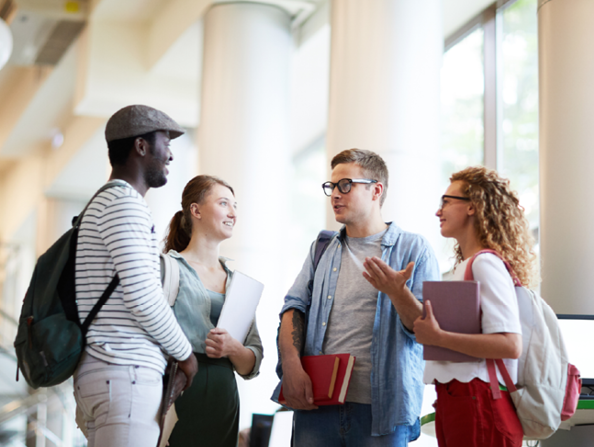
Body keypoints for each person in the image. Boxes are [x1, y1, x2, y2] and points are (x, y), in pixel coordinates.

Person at [275, 148, 440, 446]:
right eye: (332, 186)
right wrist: (291, 366)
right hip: (318, 403)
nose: (335, 194)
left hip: (383, 411)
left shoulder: (414, 249)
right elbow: (293, 307)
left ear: (376, 190)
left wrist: (396, 292)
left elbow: (426, 331)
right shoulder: (322, 247)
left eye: (346, 185)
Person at [72, 104, 198, 446]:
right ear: (140, 146)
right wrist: (186, 356)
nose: (170, 155)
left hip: (104, 370)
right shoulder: (124, 204)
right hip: (124, 371)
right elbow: (144, 299)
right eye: (165, 143)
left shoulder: (101, 203)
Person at [414, 166, 536, 447]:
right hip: (463, 397)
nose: (438, 211)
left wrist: (437, 338)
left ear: (473, 207)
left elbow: (509, 344)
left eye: (446, 201)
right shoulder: (469, 266)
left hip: (477, 399)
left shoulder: (485, 264)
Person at [163, 175, 264, 447]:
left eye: (235, 206)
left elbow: (252, 362)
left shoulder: (238, 284)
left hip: (224, 400)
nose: (232, 213)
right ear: (195, 211)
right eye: (223, 203)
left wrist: (232, 348)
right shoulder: (167, 268)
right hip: (177, 391)